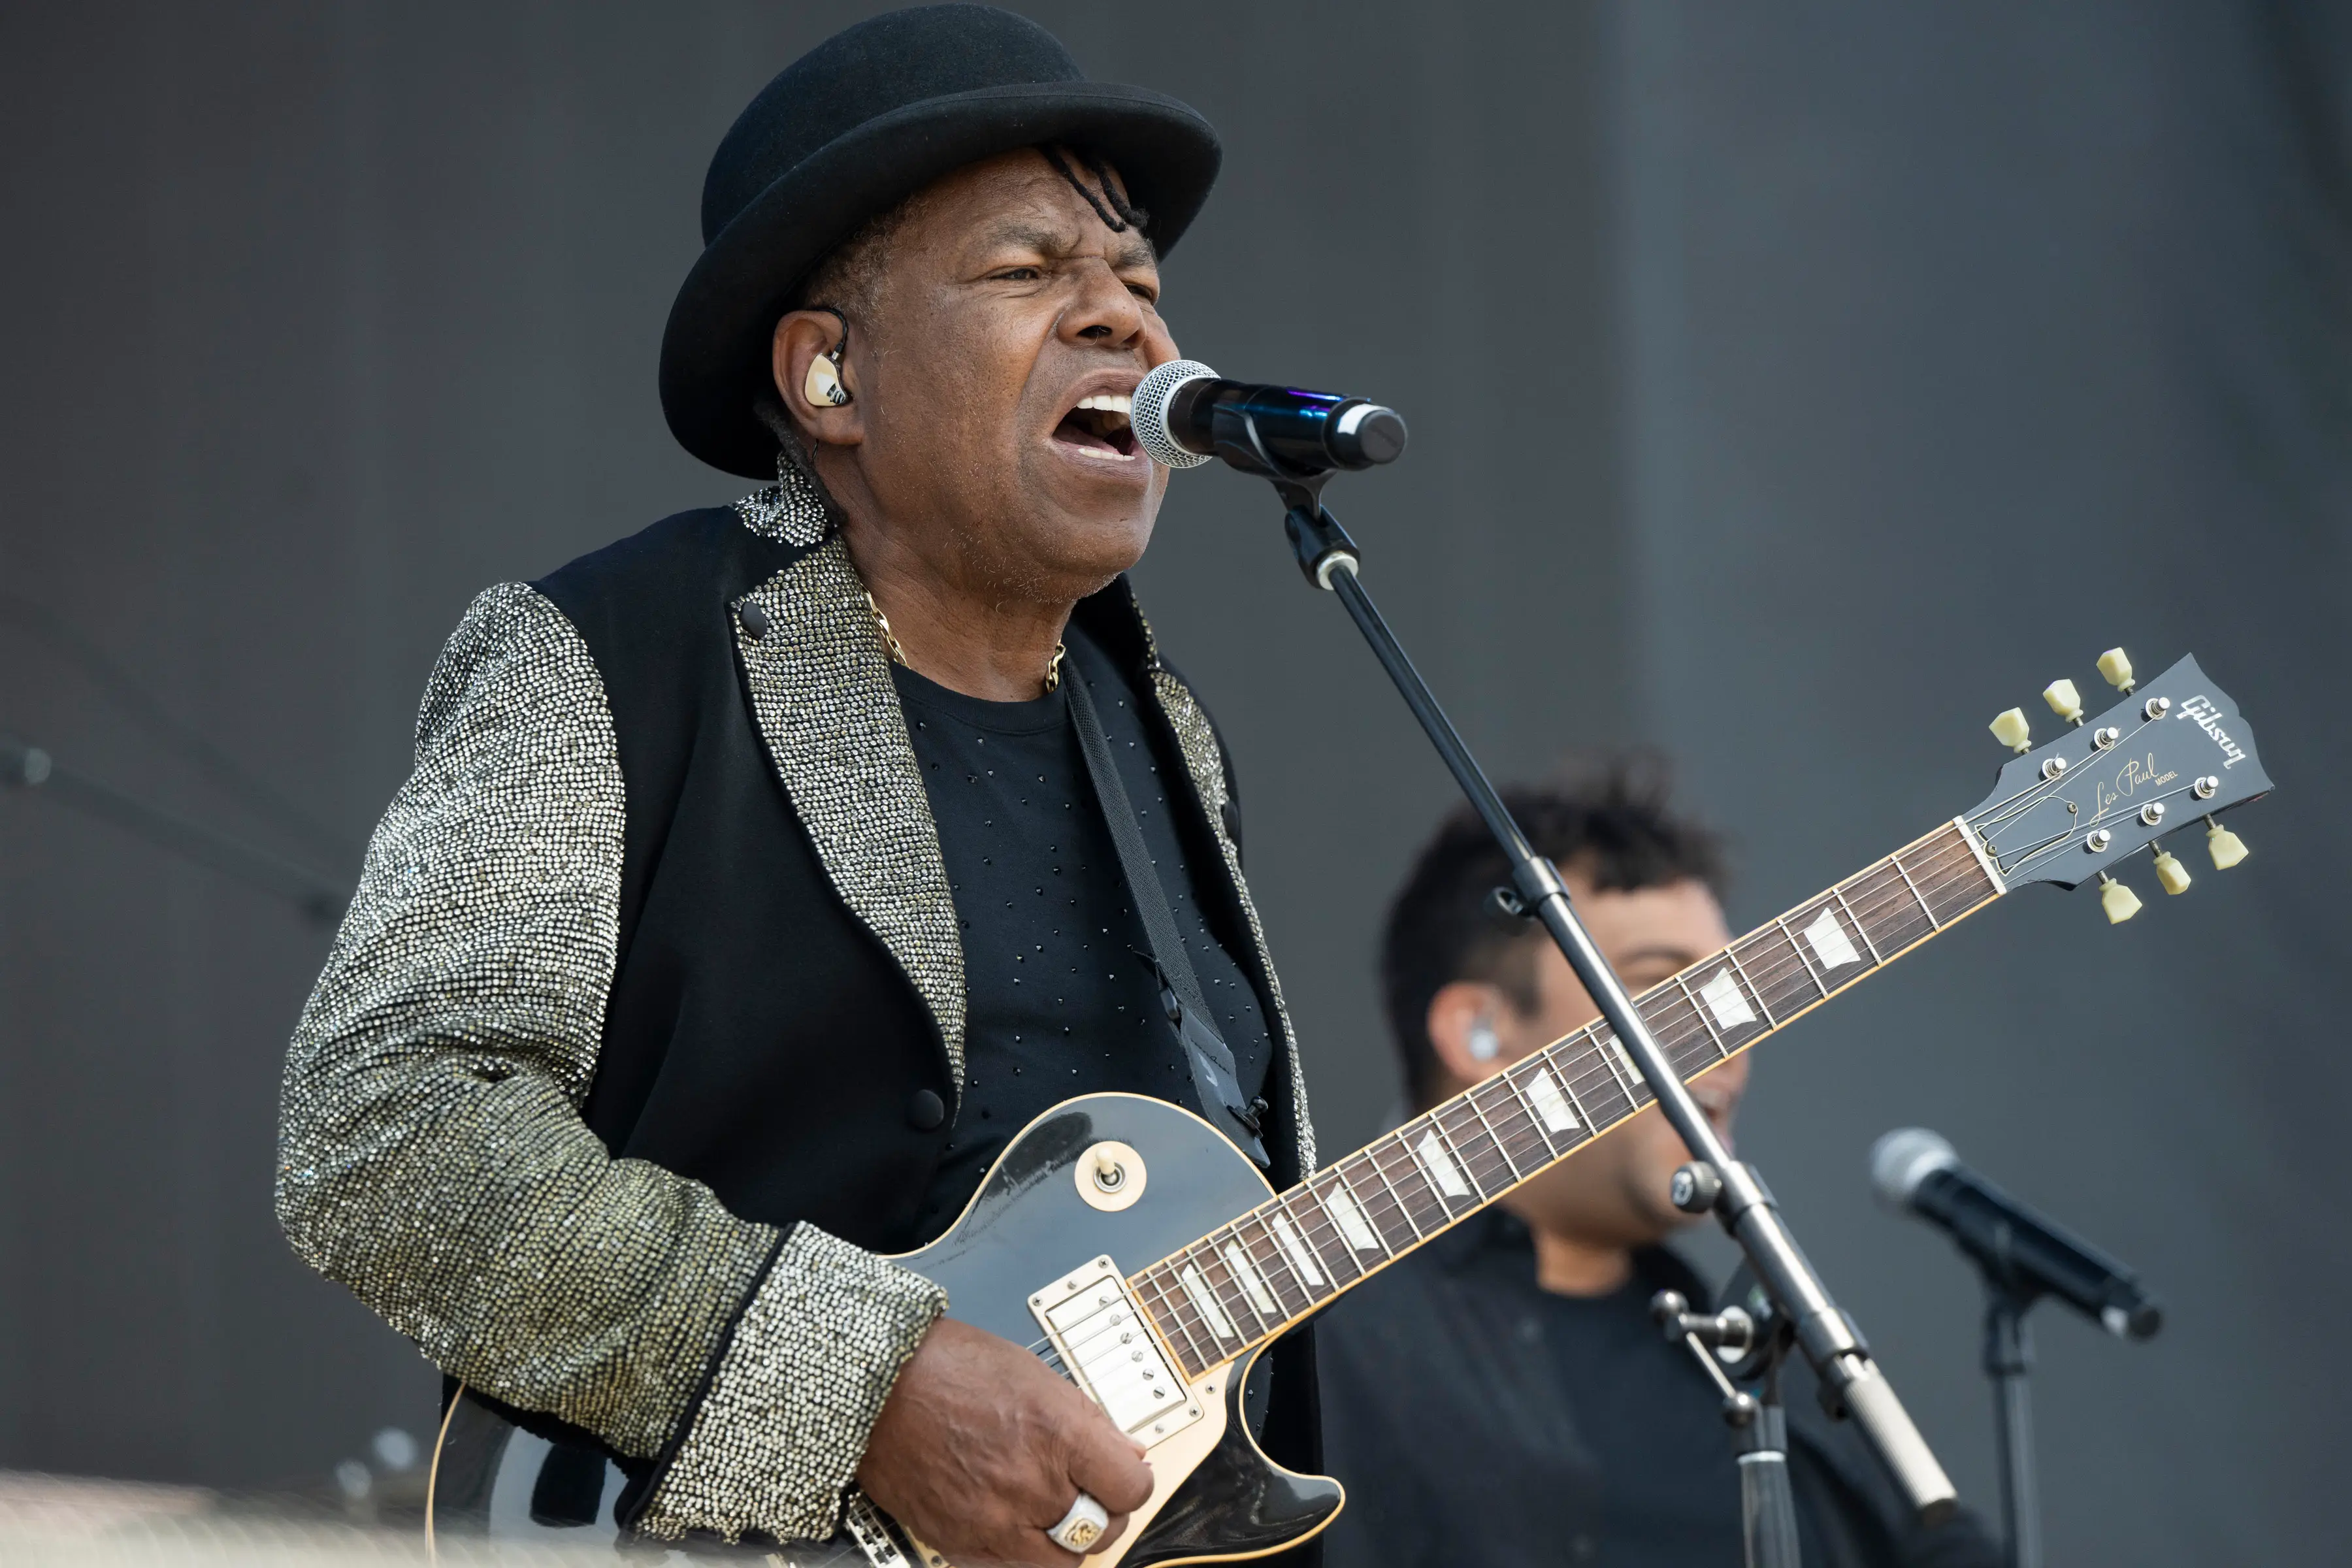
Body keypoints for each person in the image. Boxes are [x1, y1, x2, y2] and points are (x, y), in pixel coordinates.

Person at [273, 8, 1321, 1563]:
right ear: (828, 373)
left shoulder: (1164, 733)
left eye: (1143, 287)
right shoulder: (608, 655)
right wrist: (867, 1381)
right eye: (1032, 274)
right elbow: (384, 1133)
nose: (1130, 326)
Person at [1314, 759, 1999, 1568]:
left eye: (1738, 999)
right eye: (1665, 994)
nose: (1731, 1045)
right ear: (1479, 1035)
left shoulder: (1763, 1354)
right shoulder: (1307, 1349)